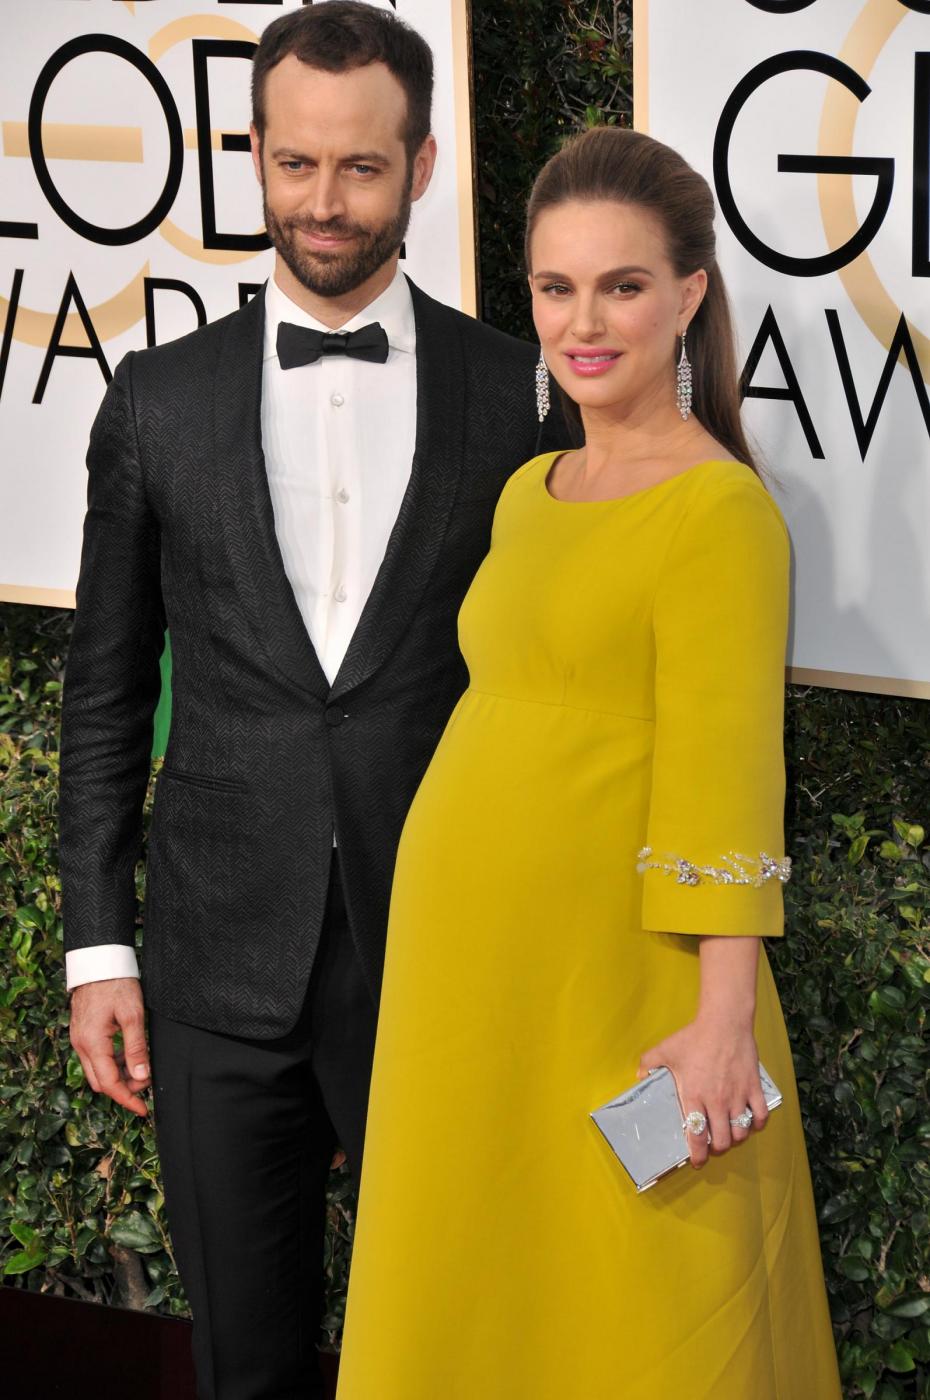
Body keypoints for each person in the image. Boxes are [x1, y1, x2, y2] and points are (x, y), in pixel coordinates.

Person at [58, 5, 562, 1397]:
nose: (324, 201)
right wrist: (98, 947)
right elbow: (104, 690)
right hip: (217, 955)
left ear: (421, 164)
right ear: (255, 156)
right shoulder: (155, 400)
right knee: (248, 1365)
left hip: (443, 947)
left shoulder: (517, 392)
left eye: (360, 166)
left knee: (452, 1352)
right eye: (295, 163)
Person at [336, 126, 842, 1400]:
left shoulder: (720, 512)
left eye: (623, 285)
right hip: (466, 973)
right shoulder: (530, 490)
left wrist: (724, 1016)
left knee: (629, 1297)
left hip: (620, 972)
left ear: (688, 293)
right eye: (557, 287)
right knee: (479, 1282)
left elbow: (729, 776)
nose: (584, 322)